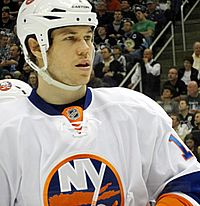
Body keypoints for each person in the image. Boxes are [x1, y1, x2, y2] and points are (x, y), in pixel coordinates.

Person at [1, 0, 200, 205]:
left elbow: (188, 180)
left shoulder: (135, 110)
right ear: (35, 46)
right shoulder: (6, 129)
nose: (85, 49)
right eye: (70, 38)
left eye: (87, 37)